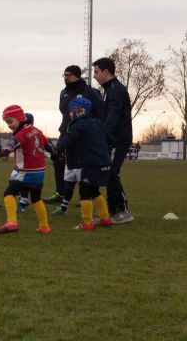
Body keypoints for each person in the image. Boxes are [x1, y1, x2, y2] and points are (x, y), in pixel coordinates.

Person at [45, 65, 104, 215]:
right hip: (66, 133)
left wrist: (94, 131)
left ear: (78, 76)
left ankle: (87, 195)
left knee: (82, 170)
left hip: (84, 137)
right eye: (64, 75)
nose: (65, 78)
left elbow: (101, 112)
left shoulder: (90, 92)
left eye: (69, 75)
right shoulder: (63, 93)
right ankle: (60, 194)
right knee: (60, 165)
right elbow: (64, 113)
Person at [54, 98, 113, 230]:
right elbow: (109, 138)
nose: (69, 114)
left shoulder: (78, 125)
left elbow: (69, 138)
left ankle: (87, 223)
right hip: (102, 162)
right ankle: (105, 218)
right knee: (94, 190)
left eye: (71, 110)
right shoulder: (98, 122)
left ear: (79, 111)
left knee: (84, 190)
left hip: (89, 163)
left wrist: (58, 147)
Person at [0, 105, 55, 234]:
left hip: (27, 172)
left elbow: (13, 143)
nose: (9, 125)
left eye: (10, 121)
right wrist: (55, 153)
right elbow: (48, 143)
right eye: (7, 123)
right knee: (36, 199)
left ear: (20, 118)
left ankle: (11, 222)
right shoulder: (36, 130)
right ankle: (44, 227)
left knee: (8, 194)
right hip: (40, 173)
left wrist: (5, 152)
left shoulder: (22, 133)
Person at [93, 57, 134, 224]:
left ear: (106, 72)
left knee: (111, 172)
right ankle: (113, 211)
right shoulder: (109, 90)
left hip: (118, 139)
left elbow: (113, 116)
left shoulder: (116, 90)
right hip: (112, 138)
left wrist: (104, 135)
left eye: (96, 72)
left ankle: (123, 211)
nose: (95, 76)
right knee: (108, 173)